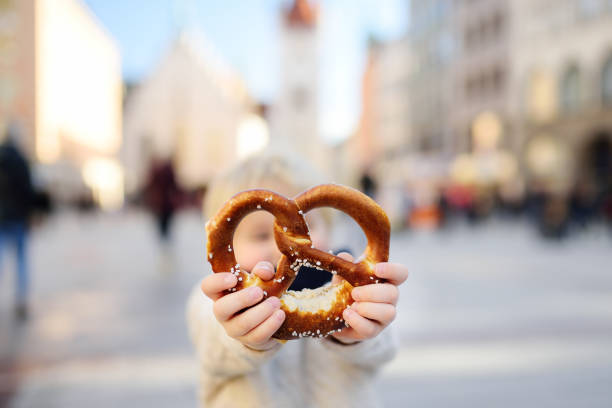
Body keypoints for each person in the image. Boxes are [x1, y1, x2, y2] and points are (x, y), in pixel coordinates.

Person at [186, 152, 409, 407]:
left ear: (328, 225)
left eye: (306, 227)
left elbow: (384, 349)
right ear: (227, 242)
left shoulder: (355, 288)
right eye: (261, 235)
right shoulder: (215, 299)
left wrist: (362, 330)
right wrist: (240, 334)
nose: (283, 248)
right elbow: (214, 346)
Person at [0, 125, 34, 320]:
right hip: (18, 217)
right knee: (21, 260)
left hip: (1, 217)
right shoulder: (21, 161)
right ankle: (21, 298)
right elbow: (28, 191)